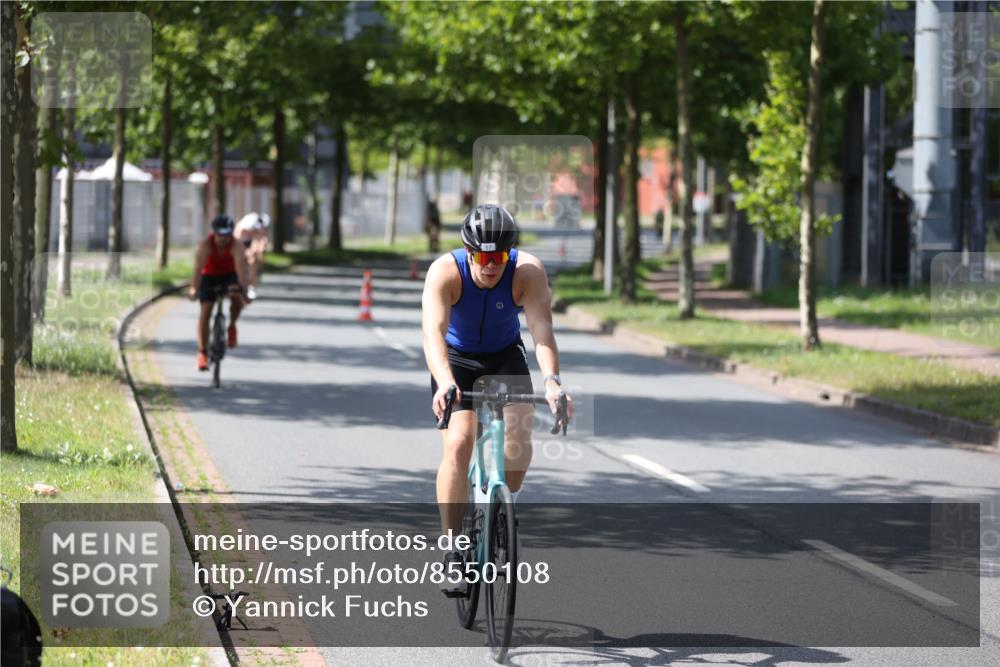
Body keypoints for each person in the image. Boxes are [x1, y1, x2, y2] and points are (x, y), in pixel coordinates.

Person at [421, 204, 573, 594]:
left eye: (500, 257)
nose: (491, 266)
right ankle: (453, 550)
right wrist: (443, 382)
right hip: (456, 360)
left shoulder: (528, 273)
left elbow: (541, 332)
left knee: (519, 442)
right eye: (484, 257)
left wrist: (553, 382)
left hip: (505, 354)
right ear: (470, 252)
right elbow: (433, 333)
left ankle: (504, 514)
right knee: (459, 441)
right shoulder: (445, 272)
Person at [189, 214, 250, 371]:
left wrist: (245, 291)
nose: (223, 239)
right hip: (209, 276)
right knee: (206, 310)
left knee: (236, 296)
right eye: (220, 235)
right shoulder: (206, 245)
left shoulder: (236, 246)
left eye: (227, 235)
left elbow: (241, 270)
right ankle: (203, 352)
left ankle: (232, 326)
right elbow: (198, 269)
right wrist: (194, 288)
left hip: (229, 276)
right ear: (214, 233)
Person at [235, 212, 270, 300]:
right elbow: (236, 243)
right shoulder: (241, 228)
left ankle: (251, 286)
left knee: (253, 260)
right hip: (240, 243)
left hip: (251, 243)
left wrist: (257, 252)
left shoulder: (258, 228)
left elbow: (260, 243)